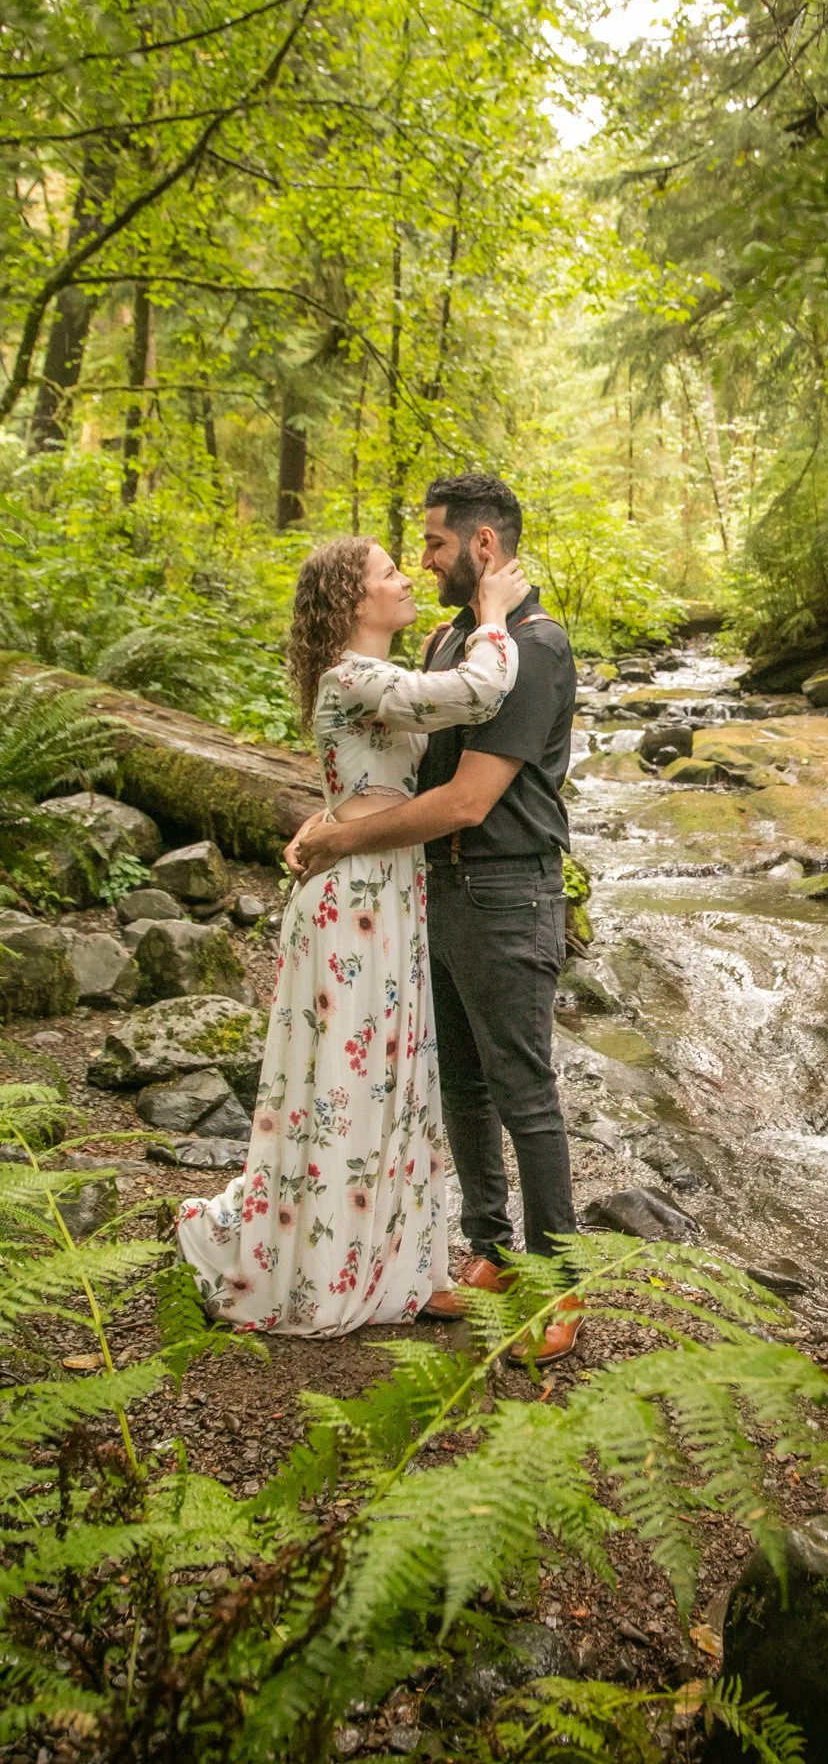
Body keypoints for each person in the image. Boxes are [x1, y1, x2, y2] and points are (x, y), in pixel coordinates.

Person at [175, 535, 527, 1336]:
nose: (406, 581)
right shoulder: (351, 675)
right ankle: (322, 1269)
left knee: (392, 1085)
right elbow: (477, 694)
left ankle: (394, 1265)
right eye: (388, 574)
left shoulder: (382, 675)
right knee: (344, 1088)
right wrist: (496, 613)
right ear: (351, 600)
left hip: (391, 890)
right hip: (355, 899)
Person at [288, 473, 582, 1366]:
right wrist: (335, 814)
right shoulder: (456, 636)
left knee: (524, 1095)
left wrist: (346, 838)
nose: (424, 561)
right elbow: (396, 756)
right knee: (461, 1085)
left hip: (504, 889)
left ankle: (561, 1282)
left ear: (482, 546)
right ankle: (490, 1248)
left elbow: (464, 801)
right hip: (435, 891)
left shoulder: (533, 648)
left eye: (435, 545)